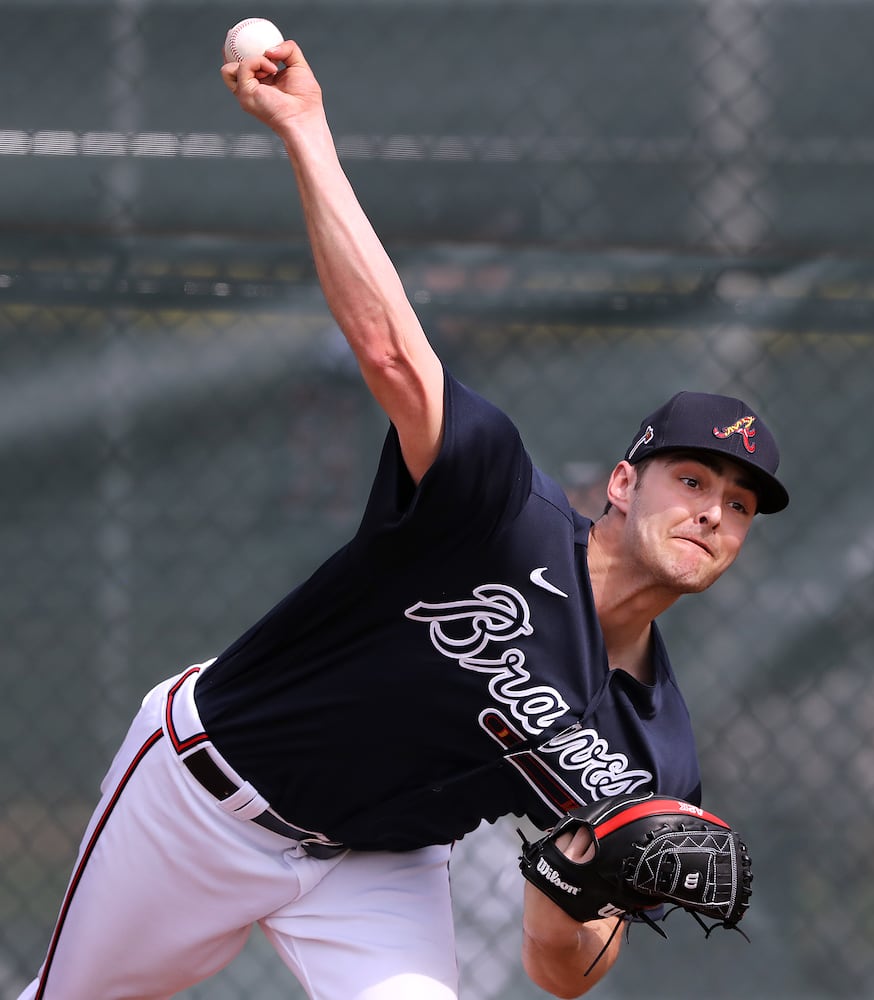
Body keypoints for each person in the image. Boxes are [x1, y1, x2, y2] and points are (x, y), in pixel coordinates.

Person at [19, 38, 789, 1000]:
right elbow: (390, 352)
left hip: (379, 866)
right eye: (694, 480)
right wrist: (305, 129)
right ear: (624, 485)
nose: (715, 512)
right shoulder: (497, 509)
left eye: (741, 504)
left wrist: (578, 873)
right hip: (203, 797)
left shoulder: (653, 751)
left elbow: (567, 975)